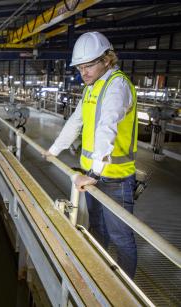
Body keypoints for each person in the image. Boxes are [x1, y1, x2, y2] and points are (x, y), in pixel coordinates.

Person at [45, 32, 138, 278]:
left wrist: (94, 173)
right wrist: (53, 151)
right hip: (92, 175)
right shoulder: (91, 88)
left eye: (89, 66)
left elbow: (107, 127)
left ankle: (126, 289)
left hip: (114, 177)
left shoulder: (117, 85)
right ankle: (99, 271)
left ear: (107, 59)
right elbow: (76, 121)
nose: (83, 72)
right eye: (80, 67)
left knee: (121, 236)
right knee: (98, 226)